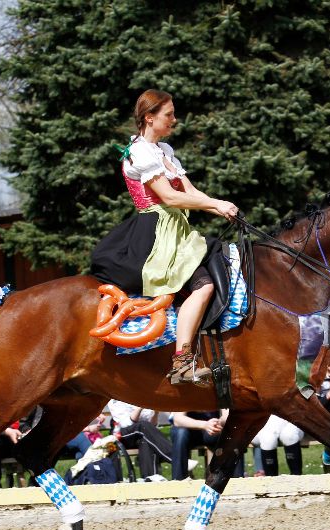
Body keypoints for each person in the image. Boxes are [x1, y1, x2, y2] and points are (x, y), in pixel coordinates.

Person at [90, 89, 239, 384]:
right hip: (156, 232)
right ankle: (182, 362)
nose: (174, 119)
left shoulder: (165, 151)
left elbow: (190, 192)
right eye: (168, 114)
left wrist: (221, 207)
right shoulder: (139, 152)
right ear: (149, 117)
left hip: (178, 229)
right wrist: (215, 204)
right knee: (204, 286)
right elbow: (169, 197)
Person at [107, 399, 174, 479]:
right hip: (122, 436)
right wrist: (140, 407)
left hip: (141, 433)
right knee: (142, 426)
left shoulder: (140, 395)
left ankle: (150, 479)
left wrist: (156, 413)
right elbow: (126, 424)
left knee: (146, 441)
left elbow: (151, 426)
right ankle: (176, 459)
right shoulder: (115, 400)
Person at [171, 410, 244, 480]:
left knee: (233, 431)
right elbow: (177, 419)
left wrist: (218, 422)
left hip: (213, 429)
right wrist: (205, 425)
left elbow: (228, 414)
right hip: (189, 431)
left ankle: (238, 482)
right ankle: (178, 480)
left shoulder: (221, 396)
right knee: (180, 433)